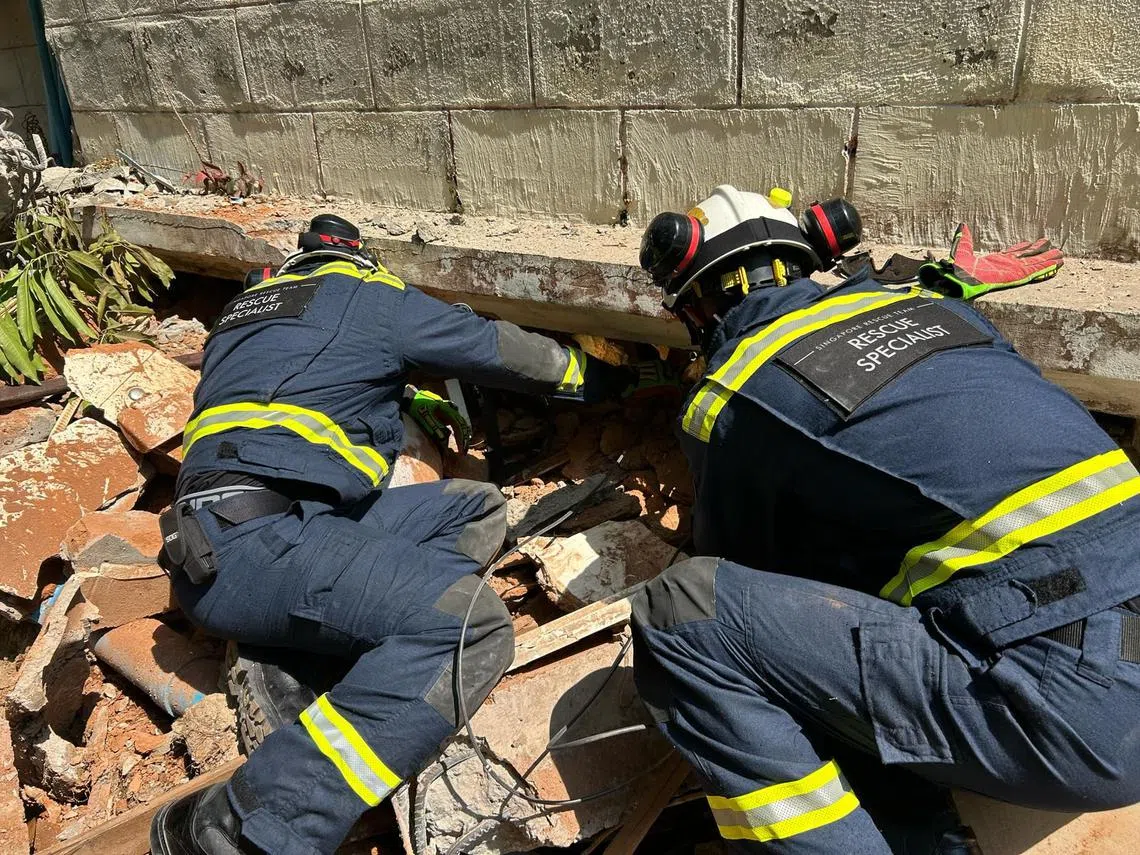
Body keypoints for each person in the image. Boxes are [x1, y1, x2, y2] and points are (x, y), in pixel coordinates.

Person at [630, 185, 1140, 853]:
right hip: (1105, 627)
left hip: (1087, 715)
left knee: (684, 614)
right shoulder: (935, 308)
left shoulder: (727, 393)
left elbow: (735, 566)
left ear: (695, 306)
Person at [150, 214, 630, 855]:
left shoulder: (244, 314)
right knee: (469, 625)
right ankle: (248, 822)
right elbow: (500, 349)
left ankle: (349, 643)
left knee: (474, 507)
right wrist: (608, 377)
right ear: (360, 259)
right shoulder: (367, 294)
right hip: (258, 547)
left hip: (234, 535)